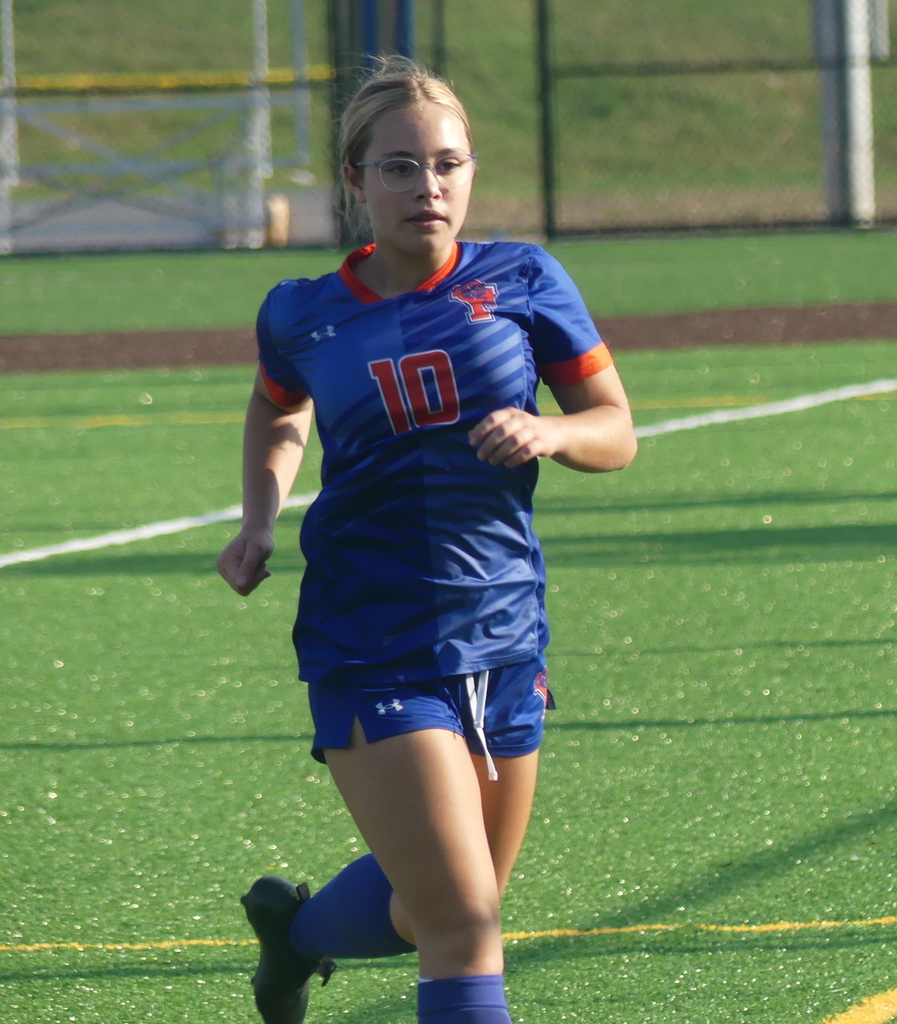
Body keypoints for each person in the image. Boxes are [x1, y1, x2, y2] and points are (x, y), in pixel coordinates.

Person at [216, 56, 636, 1024]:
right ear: (355, 181)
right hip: (370, 638)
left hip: (503, 631)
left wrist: (553, 430)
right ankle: (305, 938)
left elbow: (615, 429)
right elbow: (279, 410)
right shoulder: (302, 311)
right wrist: (259, 518)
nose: (428, 186)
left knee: (444, 904)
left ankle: (297, 935)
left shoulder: (524, 278)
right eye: (399, 167)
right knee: (463, 921)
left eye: (448, 164)